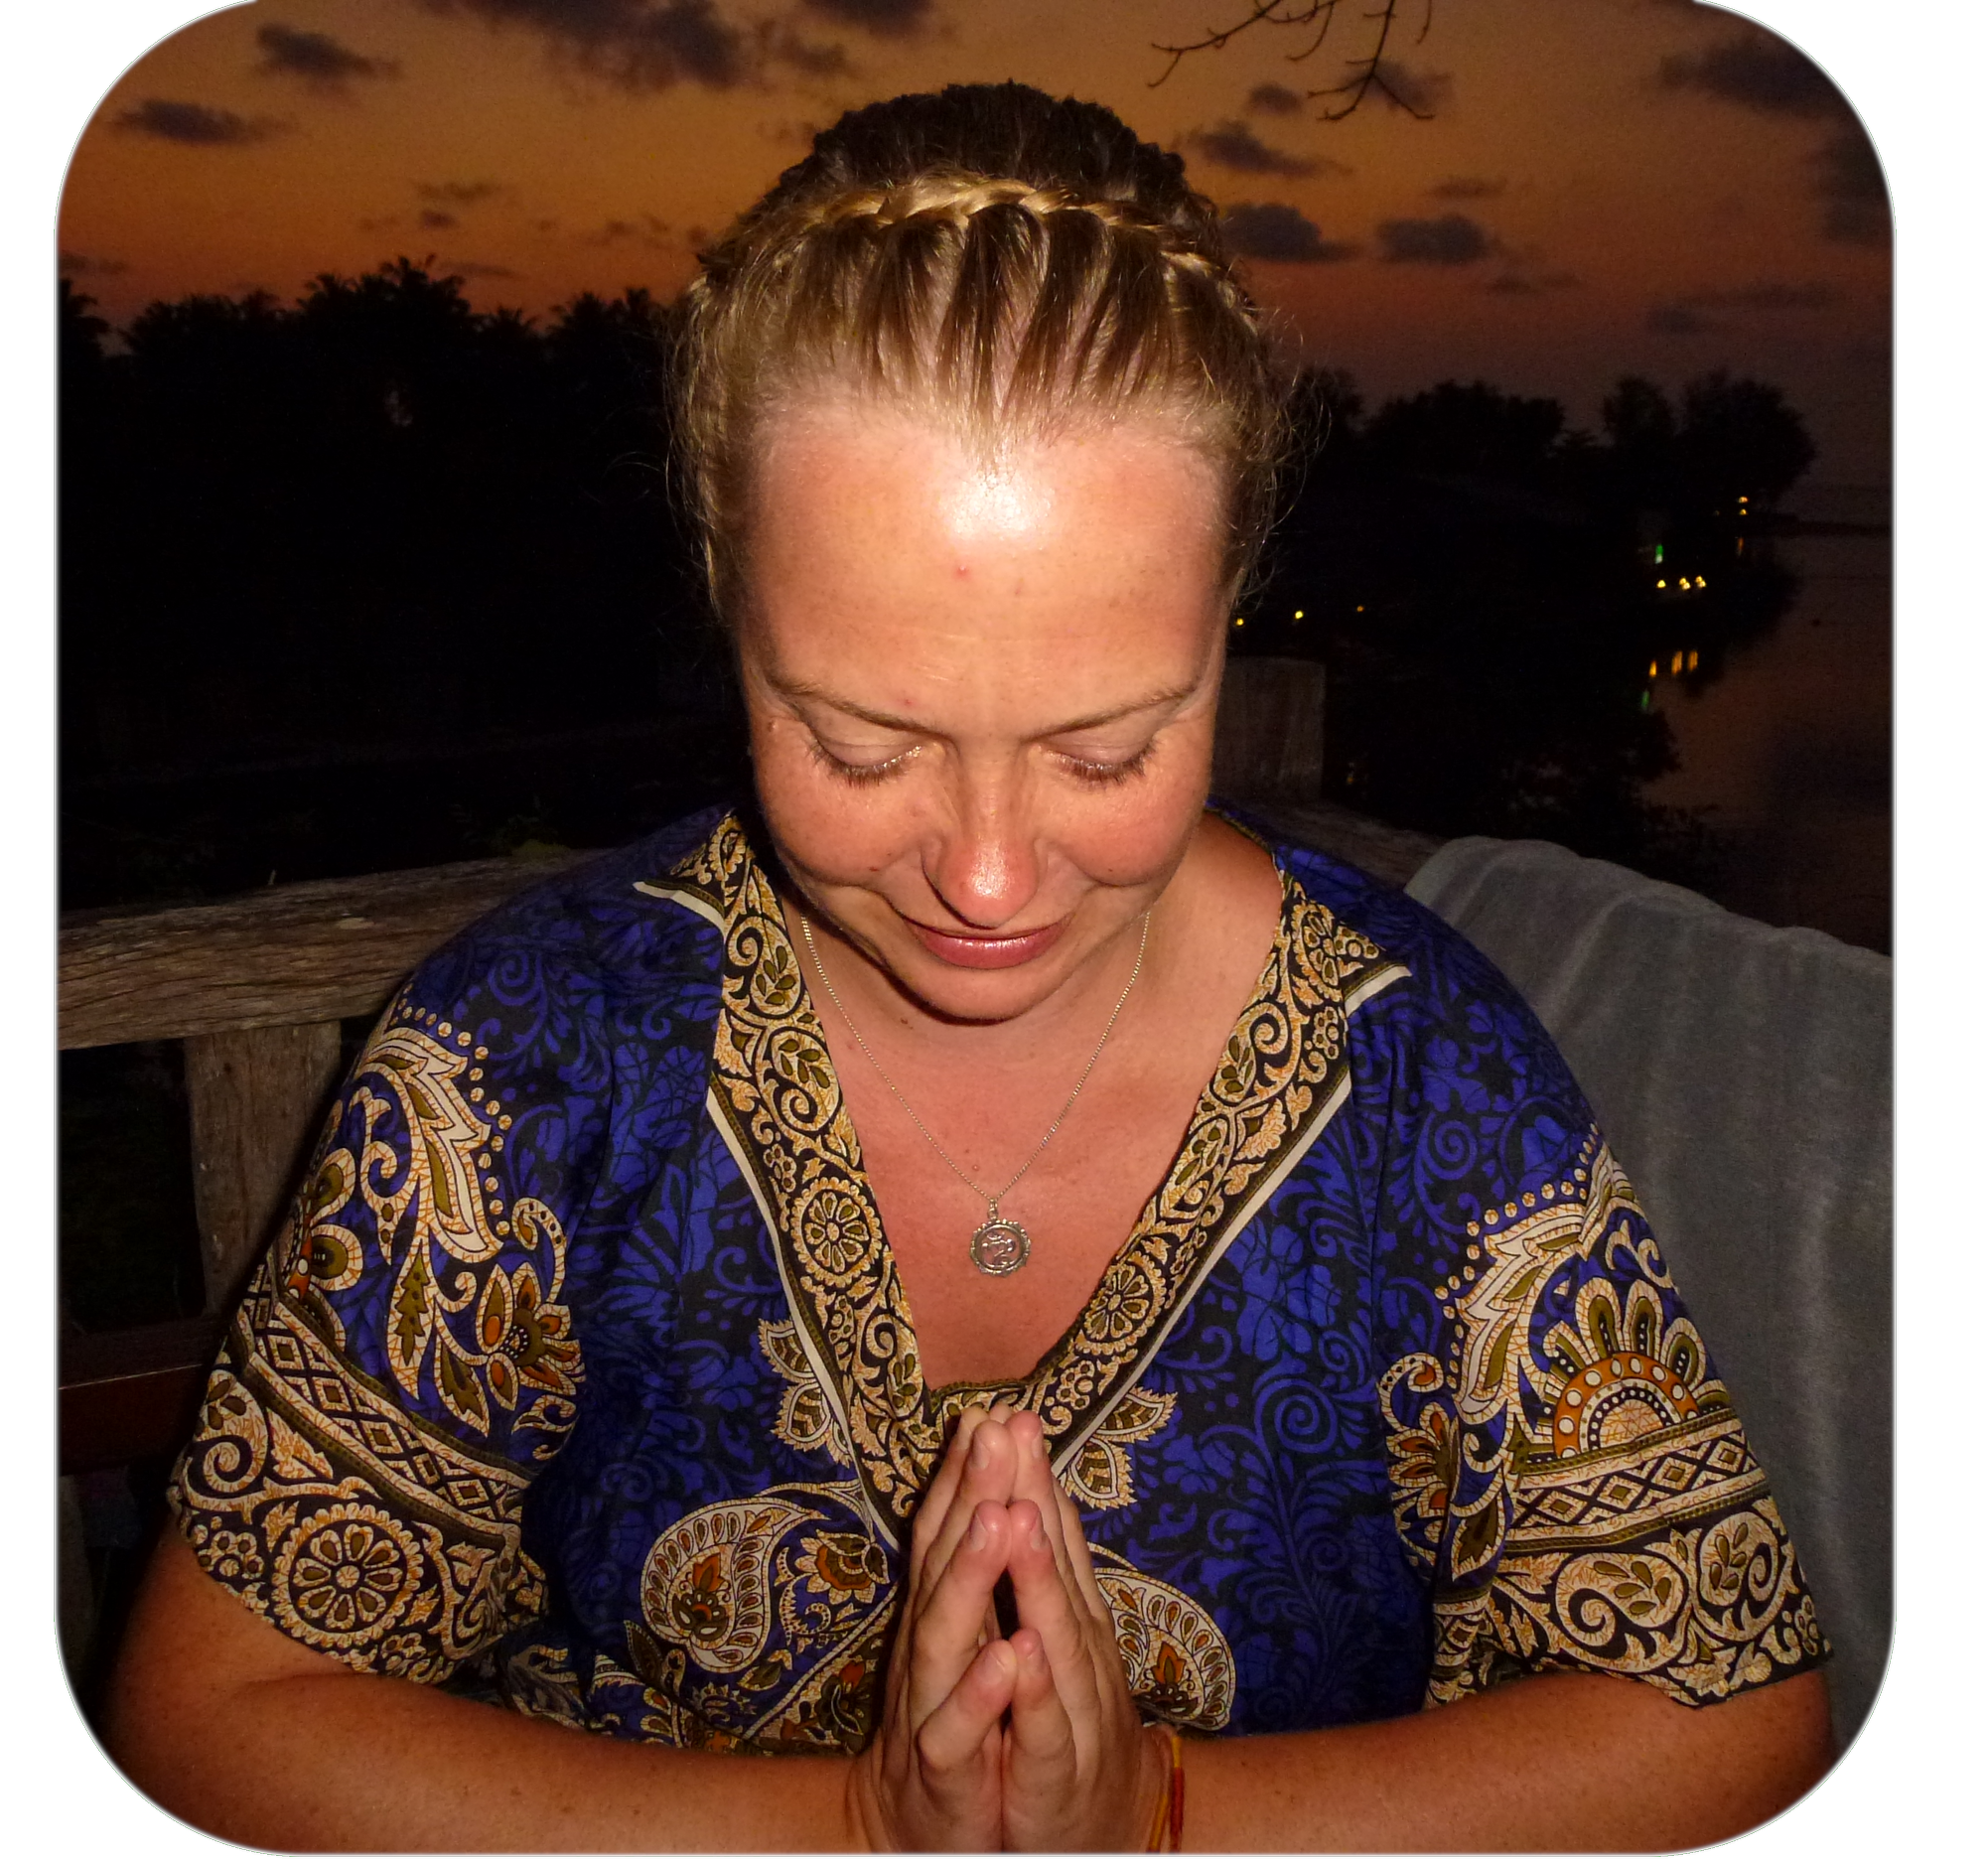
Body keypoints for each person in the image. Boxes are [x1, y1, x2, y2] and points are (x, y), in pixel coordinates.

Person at [105, 81, 1832, 1851]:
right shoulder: (520, 1068)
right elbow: (210, 1716)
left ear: (1227, 608)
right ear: (727, 598)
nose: (991, 877)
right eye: (860, 746)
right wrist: (850, 1830)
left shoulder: (1429, 1087)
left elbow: (1731, 1713)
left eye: (1111, 748)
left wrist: (1156, 1815)